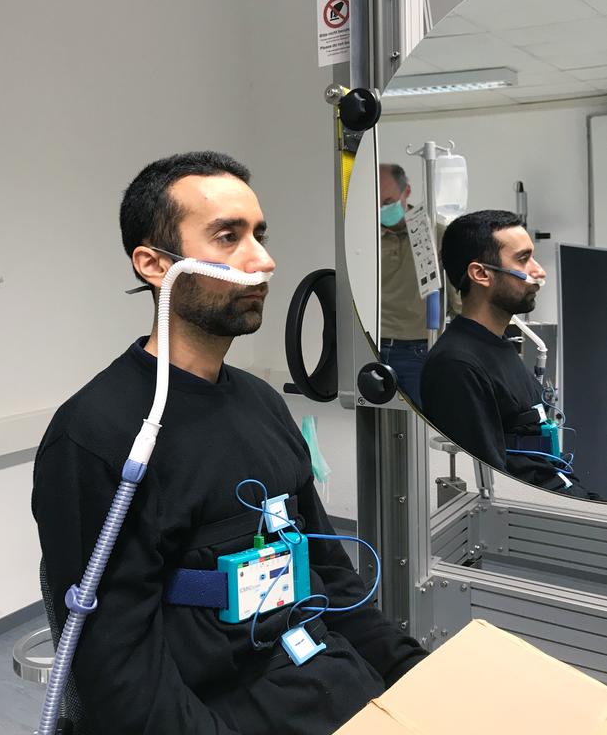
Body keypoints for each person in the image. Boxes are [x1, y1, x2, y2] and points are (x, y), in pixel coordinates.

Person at [32, 151, 426, 735]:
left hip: (331, 684)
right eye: (228, 236)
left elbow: (331, 573)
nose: (263, 261)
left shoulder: (260, 403)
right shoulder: (97, 437)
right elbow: (120, 675)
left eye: (259, 235)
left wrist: (416, 673)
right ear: (153, 264)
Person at [420, 209, 599, 499]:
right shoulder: (457, 366)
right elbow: (489, 489)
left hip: (564, 494)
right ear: (480, 274)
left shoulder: (499, 346)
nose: (538, 271)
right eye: (523, 259)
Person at [380, 163, 459, 407]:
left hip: (418, 351)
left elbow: (457, 300)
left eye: (388, 200)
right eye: (376, 201)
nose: (383, 208)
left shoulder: (433, 233)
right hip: (371, 344)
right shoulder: (363, 235)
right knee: (374, 424)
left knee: (420, 425)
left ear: (407, 192)